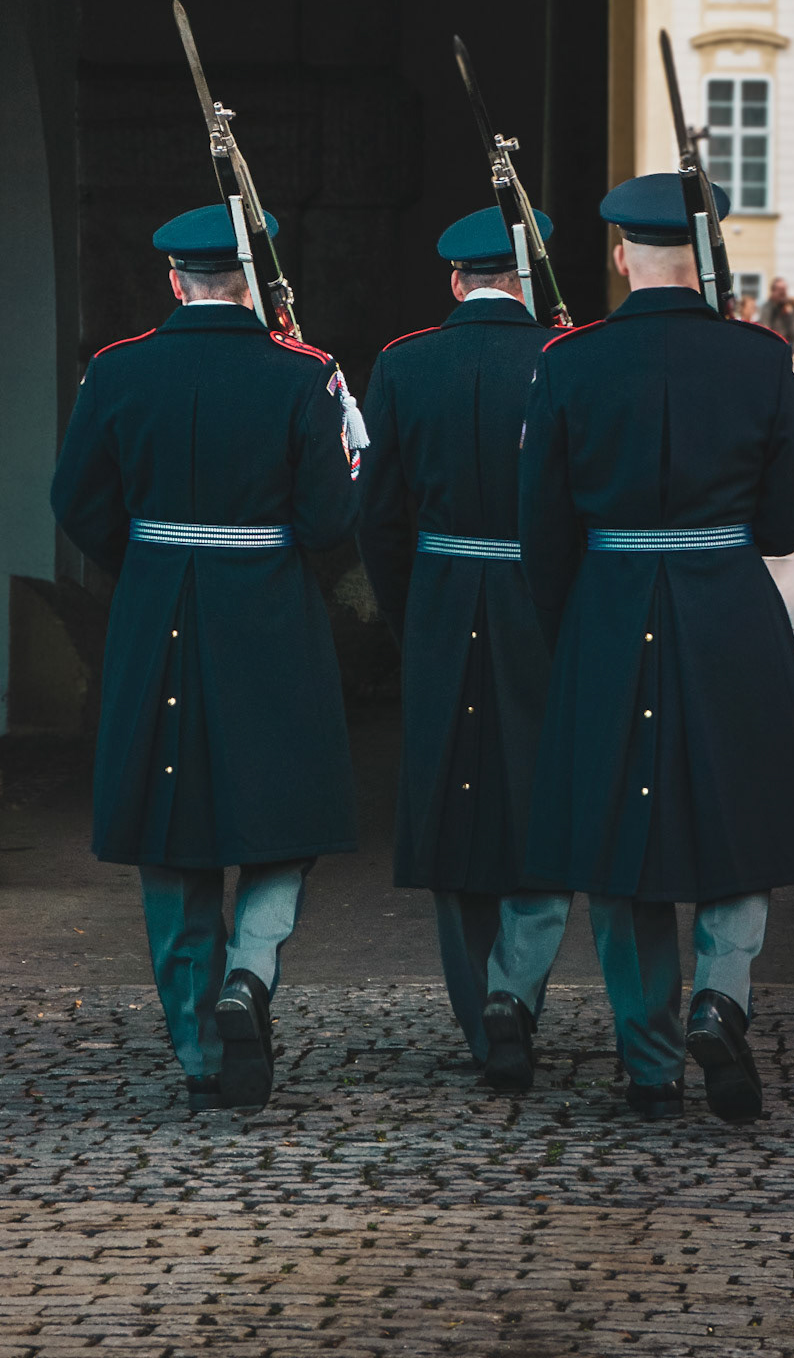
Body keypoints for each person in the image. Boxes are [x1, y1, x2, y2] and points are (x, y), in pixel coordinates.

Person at [482, 174, 794, 1126]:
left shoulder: (570, 360)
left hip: (607, 607)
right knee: (740, 820)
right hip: (727, 607)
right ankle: (722, 996)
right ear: (708, 251)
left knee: (618, 844)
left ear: (617, 255)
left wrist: (576, 624)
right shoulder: (762, 359)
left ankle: (649, 1064)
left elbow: (541, 531)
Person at [50, 205, 360, 1113]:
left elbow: (75, 498)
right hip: (265, 613)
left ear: (175, 280)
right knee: (282, 822)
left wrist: (148, 559)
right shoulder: (304, 374)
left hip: (158, 614)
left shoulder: (116, 370)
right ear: (250, 282)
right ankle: (249, 974)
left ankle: (198, 1056)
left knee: (172, 841)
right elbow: (332, 521)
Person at [356, 205, 558, 1070]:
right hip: (536, 601)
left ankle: (481, 1021)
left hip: (441, 596)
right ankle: (518, 987)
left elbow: (378, 518)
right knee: (542, 803)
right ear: (527, 277)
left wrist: (412, 614)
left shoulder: (404, 362)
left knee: (451, 809)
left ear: (455, 280)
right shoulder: (562, 359)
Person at [758, 276, 794, 357]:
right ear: (773, 292)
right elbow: (765, 331)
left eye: (784, 290)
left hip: (788, 354)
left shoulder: (790, 310)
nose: (783, 293)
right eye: (780, 290)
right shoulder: (766, 308)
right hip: (772, 353)